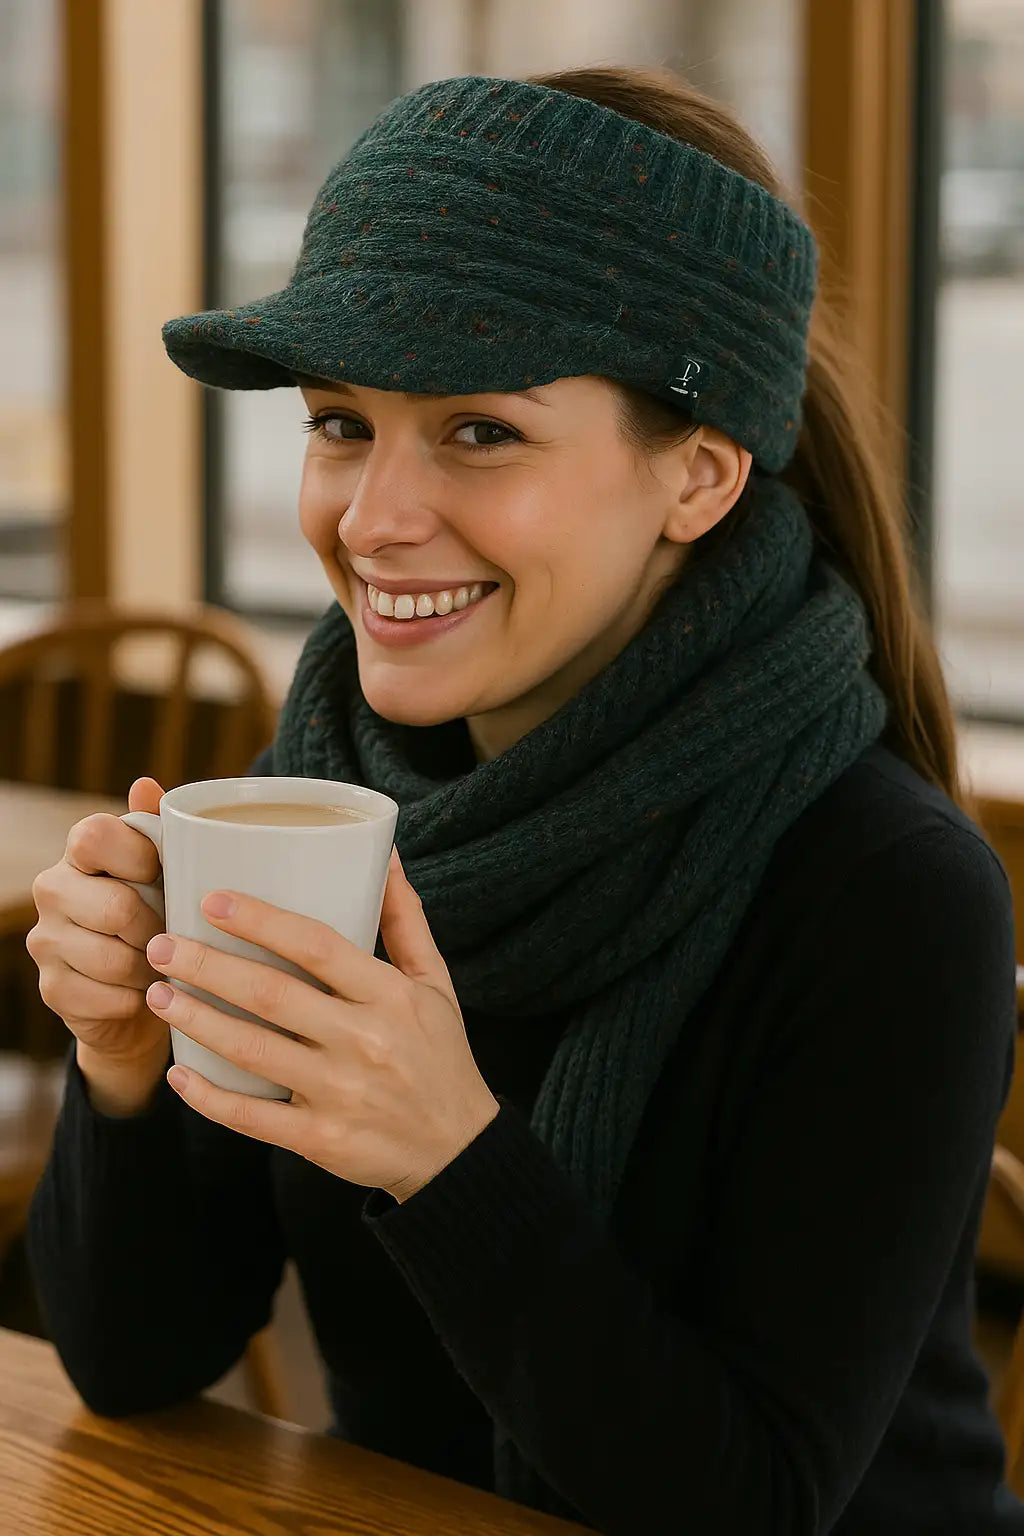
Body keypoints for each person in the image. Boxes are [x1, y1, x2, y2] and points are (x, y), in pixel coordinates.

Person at [24, 65, 1023, 1535]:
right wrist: (120, 1072)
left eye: (480, 431)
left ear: (695, 477)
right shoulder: (322, 803)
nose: (370, 521)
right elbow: (132, 1361)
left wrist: (451, 1160)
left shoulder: (890, 889)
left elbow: (756, 1503)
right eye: (340, 421)